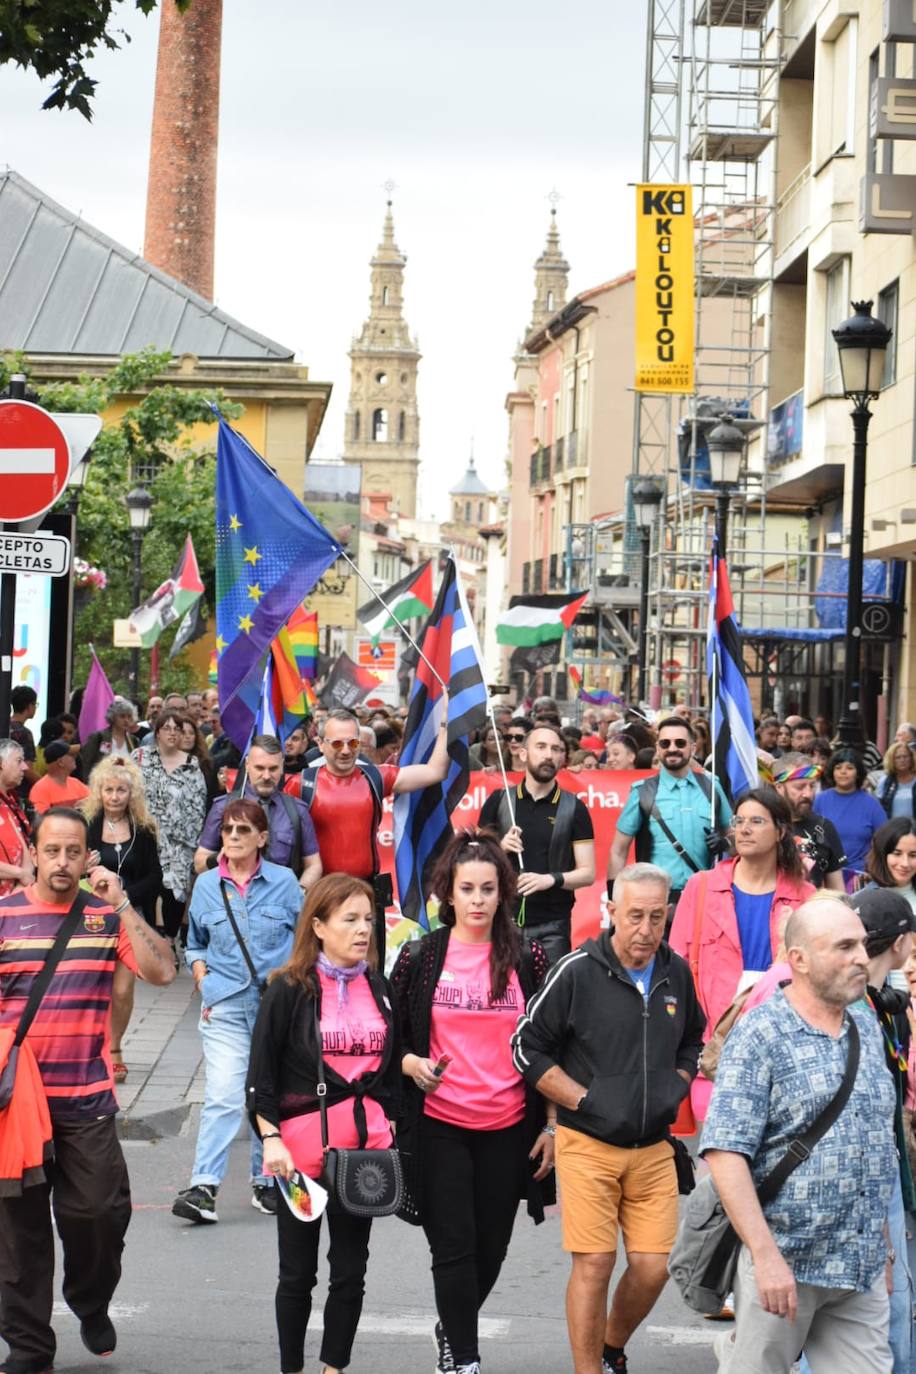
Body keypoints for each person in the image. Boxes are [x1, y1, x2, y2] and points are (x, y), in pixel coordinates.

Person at [0, 808, 176, 1372]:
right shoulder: (4, 917)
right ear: (33, 851)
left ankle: (90, 1300)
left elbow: (162, 973)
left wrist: (123, 905)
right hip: (16, 1108)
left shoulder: (103, 918)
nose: (61, 862)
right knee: (17, 1236)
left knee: (100, 1212)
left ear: (87, 856)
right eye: (51, 850)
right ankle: (29, 1346)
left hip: (86, 1100)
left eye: (72, 852)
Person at [512, 862, 705, 1374]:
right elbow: (527, 1047)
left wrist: (676, 1086)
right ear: (611, 911)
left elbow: (693, 1040)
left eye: (657, 917)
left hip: (653, 1148)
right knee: (595, 1264)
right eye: (635, 915)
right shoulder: (576, 970)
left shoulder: (676, 972)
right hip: (588, 1144)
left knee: (653, 1268)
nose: (645, 929)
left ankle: (611, 1346)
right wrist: (582, 1102)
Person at [702, 898, 897, 1374]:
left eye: (863, 946)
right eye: (845, 947)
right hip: (786, 1264)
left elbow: (875, 1140)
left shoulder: (866, 1025)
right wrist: (766, 1259)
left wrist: (884, 1244)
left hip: (860, 1266)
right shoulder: (761, 1034)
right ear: (800, 960)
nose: (861, 958)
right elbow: (726, 1152)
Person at [392, 829, 556, 1374]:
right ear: (449, 892)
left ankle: (452, 1322)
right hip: (440, 1124)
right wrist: (411, 1064)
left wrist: (551, 1124)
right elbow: (393, 1037)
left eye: (489, 888)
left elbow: (553, 1044)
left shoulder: (527, 955)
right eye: (468, 889)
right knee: (454, 1249)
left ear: (503, 891)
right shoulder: (422, 956)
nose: (479, 900)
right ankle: (464, 1357)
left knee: (492, 1251)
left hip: (509, 1124)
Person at [246, 871, 401, 1374]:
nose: (363, 930)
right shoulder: (287, 991)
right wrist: (270, 1138)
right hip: (298, 1158)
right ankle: (291, 1368)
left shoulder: (378, 986)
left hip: (363, 1155)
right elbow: (260, 1079)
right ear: (318, 925)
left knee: (350, 1274)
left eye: (369, 920)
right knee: (297, 1275)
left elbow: (390, 1069)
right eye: (350, 919)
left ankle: (334, 1368)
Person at [173, 799, 304, 1224]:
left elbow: (307, 940)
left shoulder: (285, 882)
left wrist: (295, 985)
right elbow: (193, 940)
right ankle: (204, 1186)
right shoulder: (208, 885)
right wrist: (199, 975)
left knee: (271, 1093)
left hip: (276, 1006)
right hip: (225, 1003)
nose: (232, 837)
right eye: (228, 829)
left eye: (243, 830)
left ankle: (266, 1182)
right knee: (226, 1095)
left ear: (262, 839)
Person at [669, 787, 815, 1121]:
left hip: (781, 1043)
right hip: (712, 1046)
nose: (744, 829)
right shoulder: (702, 887)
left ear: (780, 831)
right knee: (717, 1159)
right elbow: (676, 965)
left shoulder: (806, 896)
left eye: (757, 821)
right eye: (739, 821)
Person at [284, 706, 451, 961]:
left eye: (352, 742)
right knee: (320, 971)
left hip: (366, 892)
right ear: (320, 743)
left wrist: (445, 725)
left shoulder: (375, 777)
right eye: (337, 743)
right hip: (322, 894)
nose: (346, 750)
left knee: (370, 968)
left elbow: (435, 771)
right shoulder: (302, 784)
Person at [848, 887, 916, 1373]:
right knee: (880, 1314)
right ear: (901, 942)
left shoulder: (885, 1005)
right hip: (865, 1178)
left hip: (884, 1172)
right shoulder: (856, 1011)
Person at [479, 724, 595, 965]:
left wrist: (550, 879)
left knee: (550, 1000)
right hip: (502, 919)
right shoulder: (499, 801)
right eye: (540, 747)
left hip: (553, 925)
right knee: (501, 998)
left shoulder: (574, 808)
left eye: (555, 749)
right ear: (523, 754)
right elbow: (473, 861)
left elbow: (587, 873)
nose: (548, 755)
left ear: (563, 757)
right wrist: (499, 848)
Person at [82, 757, 162, 1086]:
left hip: (127, 913)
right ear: (98, 792)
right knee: (88, 986)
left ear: (132, 794)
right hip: (87, 917)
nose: (115, 797)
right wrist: (83, 865)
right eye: (109, 790)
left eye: (121, 790)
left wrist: (125, 892)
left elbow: (155, 877)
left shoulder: (144, 830)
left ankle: (114, 1048)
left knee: (123, 988)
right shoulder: (85, 824)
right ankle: (89, 1048)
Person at [607, 716, 730, 913]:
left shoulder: (711, 786)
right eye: (665, 743)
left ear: (693, 748)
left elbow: (735, 836)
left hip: (705, 899)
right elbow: (618, 851)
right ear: (658, 748)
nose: (672, 748)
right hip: (657, 902)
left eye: (680, 743)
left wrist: (725, 843)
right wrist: (615, 902)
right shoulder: (642, 792)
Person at [195, 736, 322, 899]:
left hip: (281, 905)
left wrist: (298, 892)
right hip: (232, 902)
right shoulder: (223, 807)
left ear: (282, 766)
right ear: (247, 765)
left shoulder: (297, 810)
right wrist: (218, 859)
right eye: (260, 768)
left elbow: (314, 864)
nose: (267, 776)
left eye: (273, 768)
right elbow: (199, 863)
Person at [133, 708, 208, 950]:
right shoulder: (141, 758)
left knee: (175, 893)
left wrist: (194, 841)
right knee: (147, 888)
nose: (173, 733)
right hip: (145, 836)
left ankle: (169, 940)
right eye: (167, 728)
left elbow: (199, 804)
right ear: (156, 732)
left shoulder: (191, 764)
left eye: (178, 729)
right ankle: (151, 938)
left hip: (179, 842)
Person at [773, 754, 846, 891]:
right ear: (779, 788)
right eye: (800, 787)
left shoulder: (824, 827)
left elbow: (837, 890)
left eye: (812, 786)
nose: (808, 794)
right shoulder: (766, 826)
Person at [813, 748, 887, 878]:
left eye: (850, 768)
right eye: (838, 767)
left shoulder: (871, 803)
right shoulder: (819, 800)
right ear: (832, 772)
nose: (843, 772)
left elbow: (885, 840)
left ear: (858, 773)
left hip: (860, 875)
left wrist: (872, 866)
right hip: (825, 873)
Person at [864, 818, 916, 915]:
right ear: (882, 855)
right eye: (897, 854)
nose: (905, 863)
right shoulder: (863, 903)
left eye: (913, 855)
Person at [0, 741, 32, 898]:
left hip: (15, 899)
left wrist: (20, 888)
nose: (25, 767)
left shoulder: (10, 801)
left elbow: (26, 848)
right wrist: (20, 873)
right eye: (19, 761)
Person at [80, 697, 139, 776]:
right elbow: (87, 764)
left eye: (129, 716)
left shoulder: (133, 740)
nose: (126, 720)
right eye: (122, 716)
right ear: (113, 717)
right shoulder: (98, 737)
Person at [27, 741, 89, 814]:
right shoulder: (40, 789)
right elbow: (41, 820)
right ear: (61, 762)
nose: (75, 757)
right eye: (71, 755)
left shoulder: (76, 783)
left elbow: (94, 802)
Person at [8, 685, 38, 791]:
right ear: (29, 706)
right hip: (20, 791)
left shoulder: (4, 726)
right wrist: (42, 784)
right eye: (35, 704)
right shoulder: (25, 733)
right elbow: (27, 769)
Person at [876, 742, 916, 820]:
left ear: (911, 758)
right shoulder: (885, 782)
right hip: (892, 829)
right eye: (898, 757)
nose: (902, 760)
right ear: (892, 760)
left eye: (905, 756)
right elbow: (879, 809)